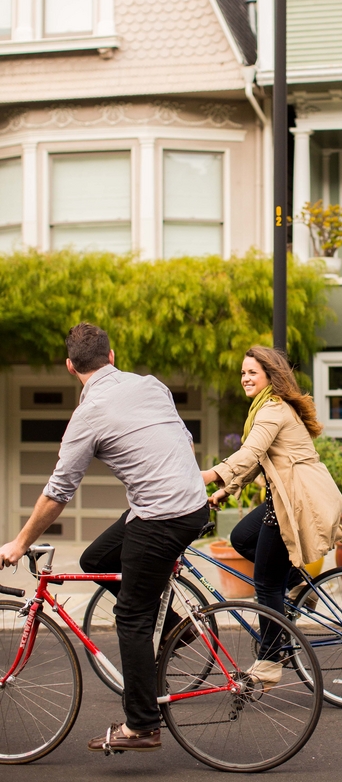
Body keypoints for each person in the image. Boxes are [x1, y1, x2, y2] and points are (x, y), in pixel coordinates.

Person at [0, 323, 208, 754]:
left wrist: (19, 543)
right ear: (111, 357)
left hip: (159, 515)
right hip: (189, 505)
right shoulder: (150, 385)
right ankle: (176, 629)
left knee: (131, 617)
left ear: (69, 366)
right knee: (96, 558)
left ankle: (142, 725)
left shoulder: (86, 415)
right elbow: (186, 445)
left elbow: (58, 492)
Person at [204, 346, 342, 688]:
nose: (245, 378)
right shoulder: (269, 408)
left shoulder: (272, 408)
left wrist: (206, 476)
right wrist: (228, 487)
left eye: (252, 372)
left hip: (294, 499)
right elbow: (259, 460)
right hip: (286, 495)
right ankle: (295, 584)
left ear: (270, 374)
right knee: (241, 539)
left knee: (266, 585)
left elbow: (250, 451)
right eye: (242, 373)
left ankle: (269, 660)